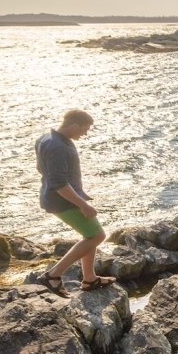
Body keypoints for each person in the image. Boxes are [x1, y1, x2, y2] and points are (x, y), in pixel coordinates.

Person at [33, 109, 114, 297]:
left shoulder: (47, 138)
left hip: (56, 197)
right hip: (63, 201)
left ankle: (89, 279)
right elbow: (59, 183)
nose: (85, 134)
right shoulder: (57, 147)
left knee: (90, 234)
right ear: (74, 125)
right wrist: (83, 204)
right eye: (84, 130)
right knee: (97, 236)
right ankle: (53, 275)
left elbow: (41, 169)